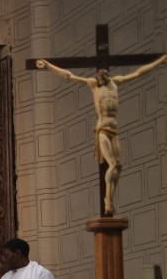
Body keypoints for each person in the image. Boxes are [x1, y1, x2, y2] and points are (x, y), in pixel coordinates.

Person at [35, 54, 167, 215]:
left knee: (118, 165)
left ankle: (109, 197)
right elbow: (70, 76)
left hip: (114, 131)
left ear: (107, 75)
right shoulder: (94, 85)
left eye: (103, 75)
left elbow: (139, 73)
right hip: (103, 130)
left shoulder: (115, 83)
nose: (100, 78)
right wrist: (49, 66)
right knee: (112, 164)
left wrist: (161, 60)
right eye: (99, 76)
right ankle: (107, 200)